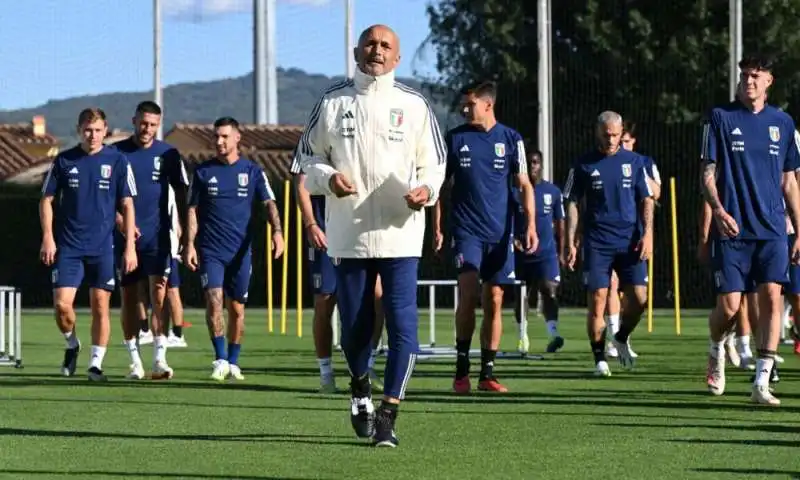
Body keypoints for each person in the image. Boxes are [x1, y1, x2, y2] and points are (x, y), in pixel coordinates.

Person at [297, 24, 446, 447]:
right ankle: (359, 385)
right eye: (371, 43)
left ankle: (388, 415)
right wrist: (329, 180)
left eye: (386, 46)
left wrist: (426, 190)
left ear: (397, 58)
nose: (377, 50)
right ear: (357, 50)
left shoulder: (414, 104)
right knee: (356, 330)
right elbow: (307, 160)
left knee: (404, 329)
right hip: (350, 235)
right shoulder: (332, 101)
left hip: (400, 233)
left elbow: (434, 164)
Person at [700, 54, 800, 405]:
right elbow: (707, 173)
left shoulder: (784, 123)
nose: (748, 81)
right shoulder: (720, 118)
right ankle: (716, 349)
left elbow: (789, 180)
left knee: (772, 297)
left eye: (756, 76)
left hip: (772, 228)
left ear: (769, 81)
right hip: (732, 229)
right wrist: (718, 209)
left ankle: (761, 382)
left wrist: (799, 229)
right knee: (728, 308)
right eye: (744, 76)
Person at [433, 81, 538, 395]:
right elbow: (438, 188)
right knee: (467, 293)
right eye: (463, 105)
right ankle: (461, 371)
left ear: (488, 105)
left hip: (500, 233)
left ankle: (487, 374)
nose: (464, 110)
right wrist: (437, 228)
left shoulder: (511, 139)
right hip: (467, 231)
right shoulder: (454, 139)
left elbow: (524, 185)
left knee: (494, 299)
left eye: (471, 104)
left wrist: (530, 226)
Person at [39, 107, 138, 381]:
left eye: (97, 130)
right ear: (79, 130)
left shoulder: (117, 161)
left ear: (105, 130)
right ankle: (72, 344)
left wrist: (129, 246)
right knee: (62, 306)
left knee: (100, 305)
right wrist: (48, 237)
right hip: (69, 247)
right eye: (87, 130)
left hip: (103, 247)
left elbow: (127, 204)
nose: (92, 135)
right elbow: (46, 200)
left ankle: (96, 364)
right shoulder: (64, 160)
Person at [183, 116, 285, 381]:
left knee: (237, 309)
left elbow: (269, 204)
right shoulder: (203, 173)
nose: (219, 141)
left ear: (237, 138)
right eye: (216, 136)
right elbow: (192, 210)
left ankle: (234, 361)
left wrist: (277, 232)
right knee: (214, 302)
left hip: (241, 252)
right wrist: (190, 244)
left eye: (225, 136)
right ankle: (219, 358)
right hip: (211, 251)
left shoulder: (252, 171)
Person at [562, 111, 654, 377]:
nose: (611, 140)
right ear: (597, 132)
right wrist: (570, 241)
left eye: (615, 135)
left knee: (639, 299)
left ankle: (622, 336)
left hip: (630, 242)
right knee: (598, 299)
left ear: (621, 131)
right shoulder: (582, 164)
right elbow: (572, 203)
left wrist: (647, 234)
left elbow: (646, 200)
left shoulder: (636, 162)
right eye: (606, 135)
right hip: (597, 243)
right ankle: (599, 358)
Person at [291, 160, 387, 393]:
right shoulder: (316, 134)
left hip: (359, 231)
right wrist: (311, 224)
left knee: (377, 296)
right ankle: (326, 373)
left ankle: (368, 366)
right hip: (324, 233)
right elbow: (301, 182)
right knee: (325, 300)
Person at [112, 101, 189, 380]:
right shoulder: (117, 153)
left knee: (160, 294)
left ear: (159, 125)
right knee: (130, 297)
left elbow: (181, 193)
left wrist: (183, 228)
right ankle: (134, 360)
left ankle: (160, 359)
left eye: (153, 125)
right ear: (134, 121)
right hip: (124, 240)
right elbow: (106, 196)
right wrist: (121, 222)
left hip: (158, 237)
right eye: (143, 123)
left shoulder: (168, 153)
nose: (147, 129)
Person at [604, 122, 661, 358]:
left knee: (638, 296)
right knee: (611, 284)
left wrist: (634, 176)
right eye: (620, 140)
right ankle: (612, 335)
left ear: (633, 141)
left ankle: (622, 337)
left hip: (635, 236)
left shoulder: (643, 162)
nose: (622, 145)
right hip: (609, 235)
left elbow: (656, 192)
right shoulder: (605, 160)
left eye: (626, 141)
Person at [512, 149, 564, 354]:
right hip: (520, 254)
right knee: (521, 294)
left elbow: (560, 222)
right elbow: (505, 221)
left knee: (549, 289)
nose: (532, 166)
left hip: (546, 253)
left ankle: (553, 334)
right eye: (529, 163)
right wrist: (512, 240)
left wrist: (564, 248)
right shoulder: (514, 192)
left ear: (541, 165)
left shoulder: (552, 192)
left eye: (535, 162)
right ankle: (522, 336)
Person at [698, 200, 756, 371]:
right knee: (730, 306)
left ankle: (750, 352)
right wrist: (704, 239)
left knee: (754, 300)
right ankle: (718, 346)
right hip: (728, 238)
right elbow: (708, 202)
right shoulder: (721, 174)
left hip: (761, 235)